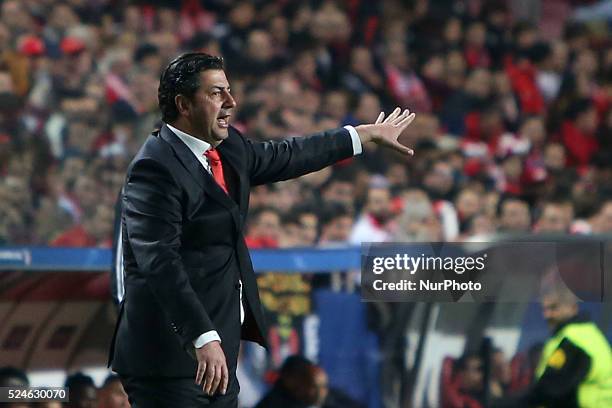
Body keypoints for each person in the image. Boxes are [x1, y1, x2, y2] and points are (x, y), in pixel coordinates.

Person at [107, 52, 416, 407]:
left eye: (229, 91)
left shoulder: (229, 148)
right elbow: (160, 262)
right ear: (184, 104)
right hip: (168, 357)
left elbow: (288, 154)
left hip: (218, 355)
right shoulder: (154, 169)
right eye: (216, 93)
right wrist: (201, 337)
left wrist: (360, 136)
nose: (231, 103)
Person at [493, 274, 612, 407]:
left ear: (573, 307)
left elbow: (550, 389)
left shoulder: (573, 341)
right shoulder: (589, 335)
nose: (547, 314)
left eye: (554, 308)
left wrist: (503, 405)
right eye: (545, 308)